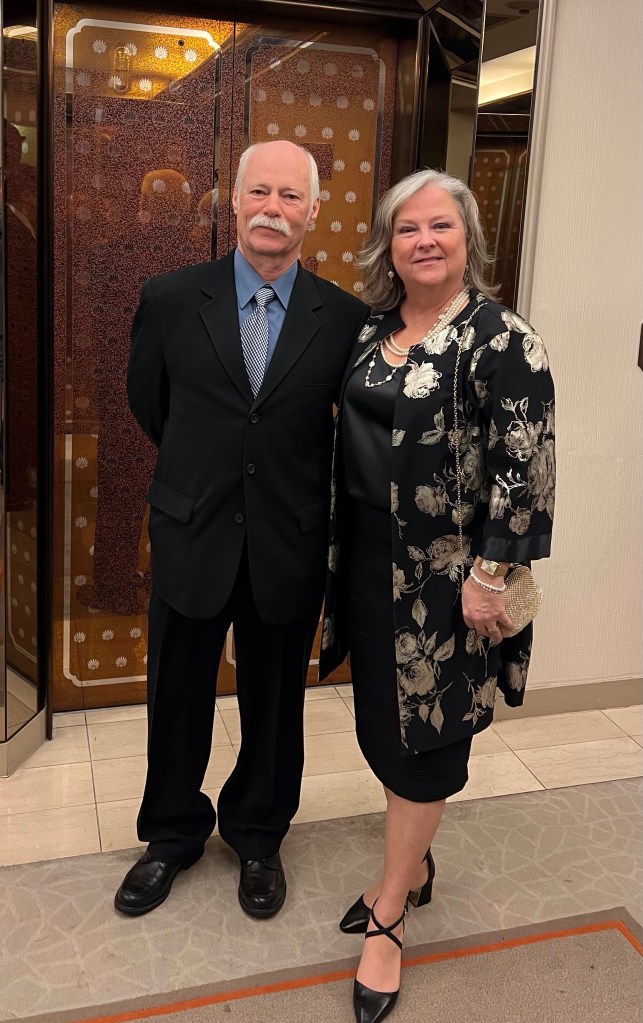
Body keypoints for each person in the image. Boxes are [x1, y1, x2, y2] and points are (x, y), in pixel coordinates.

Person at [320, 168, 555, 1023]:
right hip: (366, 562)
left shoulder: (500, 338)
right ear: (388, 245)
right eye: (407, 228)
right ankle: (415, 865)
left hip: (448, 583)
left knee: (427, 740)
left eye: (440, 226)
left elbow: (524, 469)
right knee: (384, 727)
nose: (423, 240)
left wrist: (489, 579)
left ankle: (389, 911)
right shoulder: (372, 329)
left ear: (467, 240)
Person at [116, 140, 368, 918]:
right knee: (176, 693)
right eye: (259, 191)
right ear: (233, 201)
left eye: (290, 196)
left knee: (274, 702)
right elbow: (150, 404)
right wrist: (204, 473)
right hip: (191, 529)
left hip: (287, 538)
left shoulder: (344, 318)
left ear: (313, 211)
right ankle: (170, 834)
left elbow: (342, 430)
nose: (272, 208)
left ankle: (258, 835)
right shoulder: (169, 298)